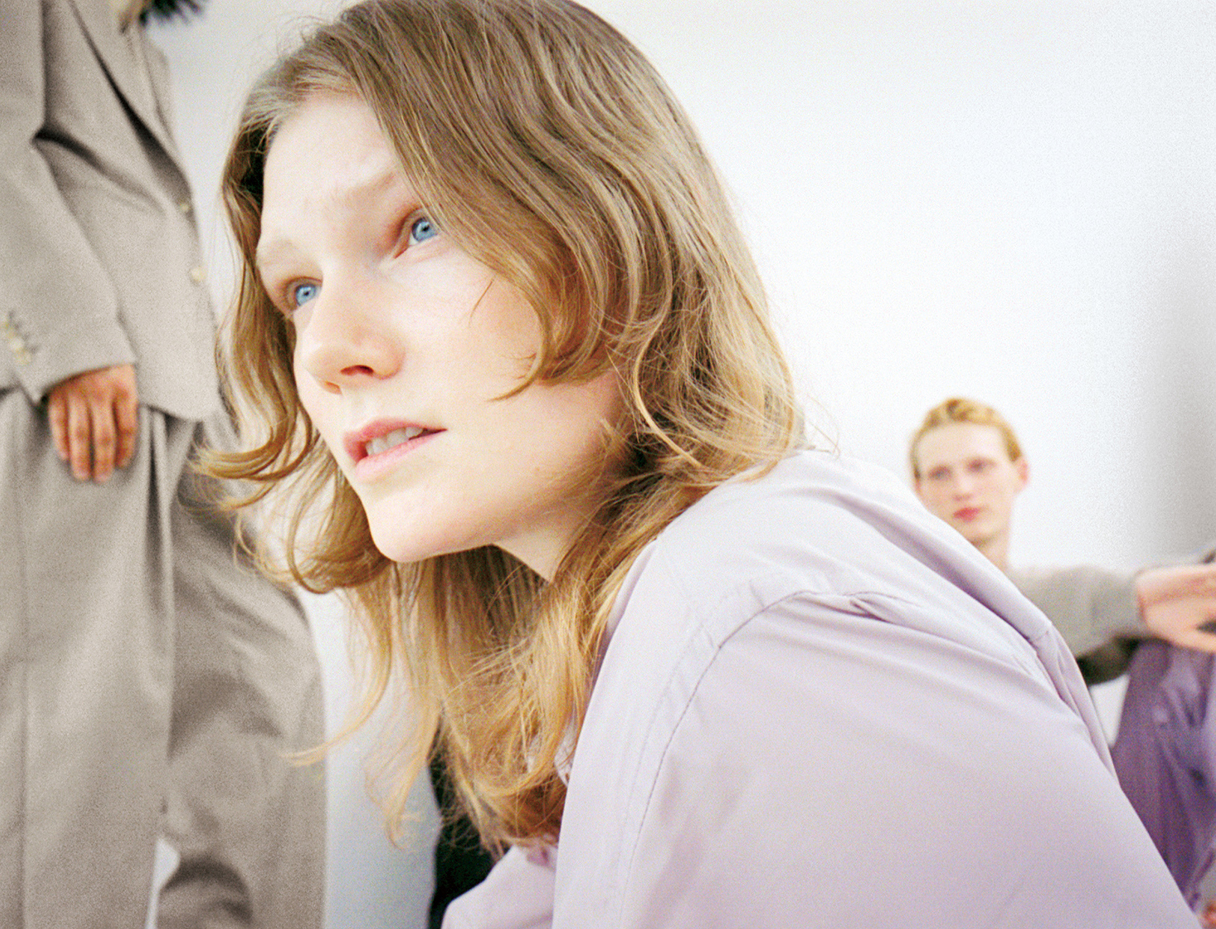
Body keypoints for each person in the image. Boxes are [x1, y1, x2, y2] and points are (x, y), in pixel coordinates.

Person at [212, 1, 1193, 925]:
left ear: (614, 229)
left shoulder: (755, 640)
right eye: (298, 288)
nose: (325, 350)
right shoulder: (650, 630)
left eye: (419, 227)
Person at [0, 1, 326, 926]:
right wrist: (70, 341)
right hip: (72, 380)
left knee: (268, 687)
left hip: (180, 396)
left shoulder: (135, 44)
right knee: (69, 723)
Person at [911, 396, 1216, 919]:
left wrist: (1164, 595)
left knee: (1180, 649)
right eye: (940, 474)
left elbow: (1056, 613)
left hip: (1096, 822)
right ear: (918, 491)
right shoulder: (918, 596)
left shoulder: (1059, 605)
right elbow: (1010, 607)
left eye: (979, 466)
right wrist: (1139, 597)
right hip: (1007, 840)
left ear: (1020, 473)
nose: (962, 488)